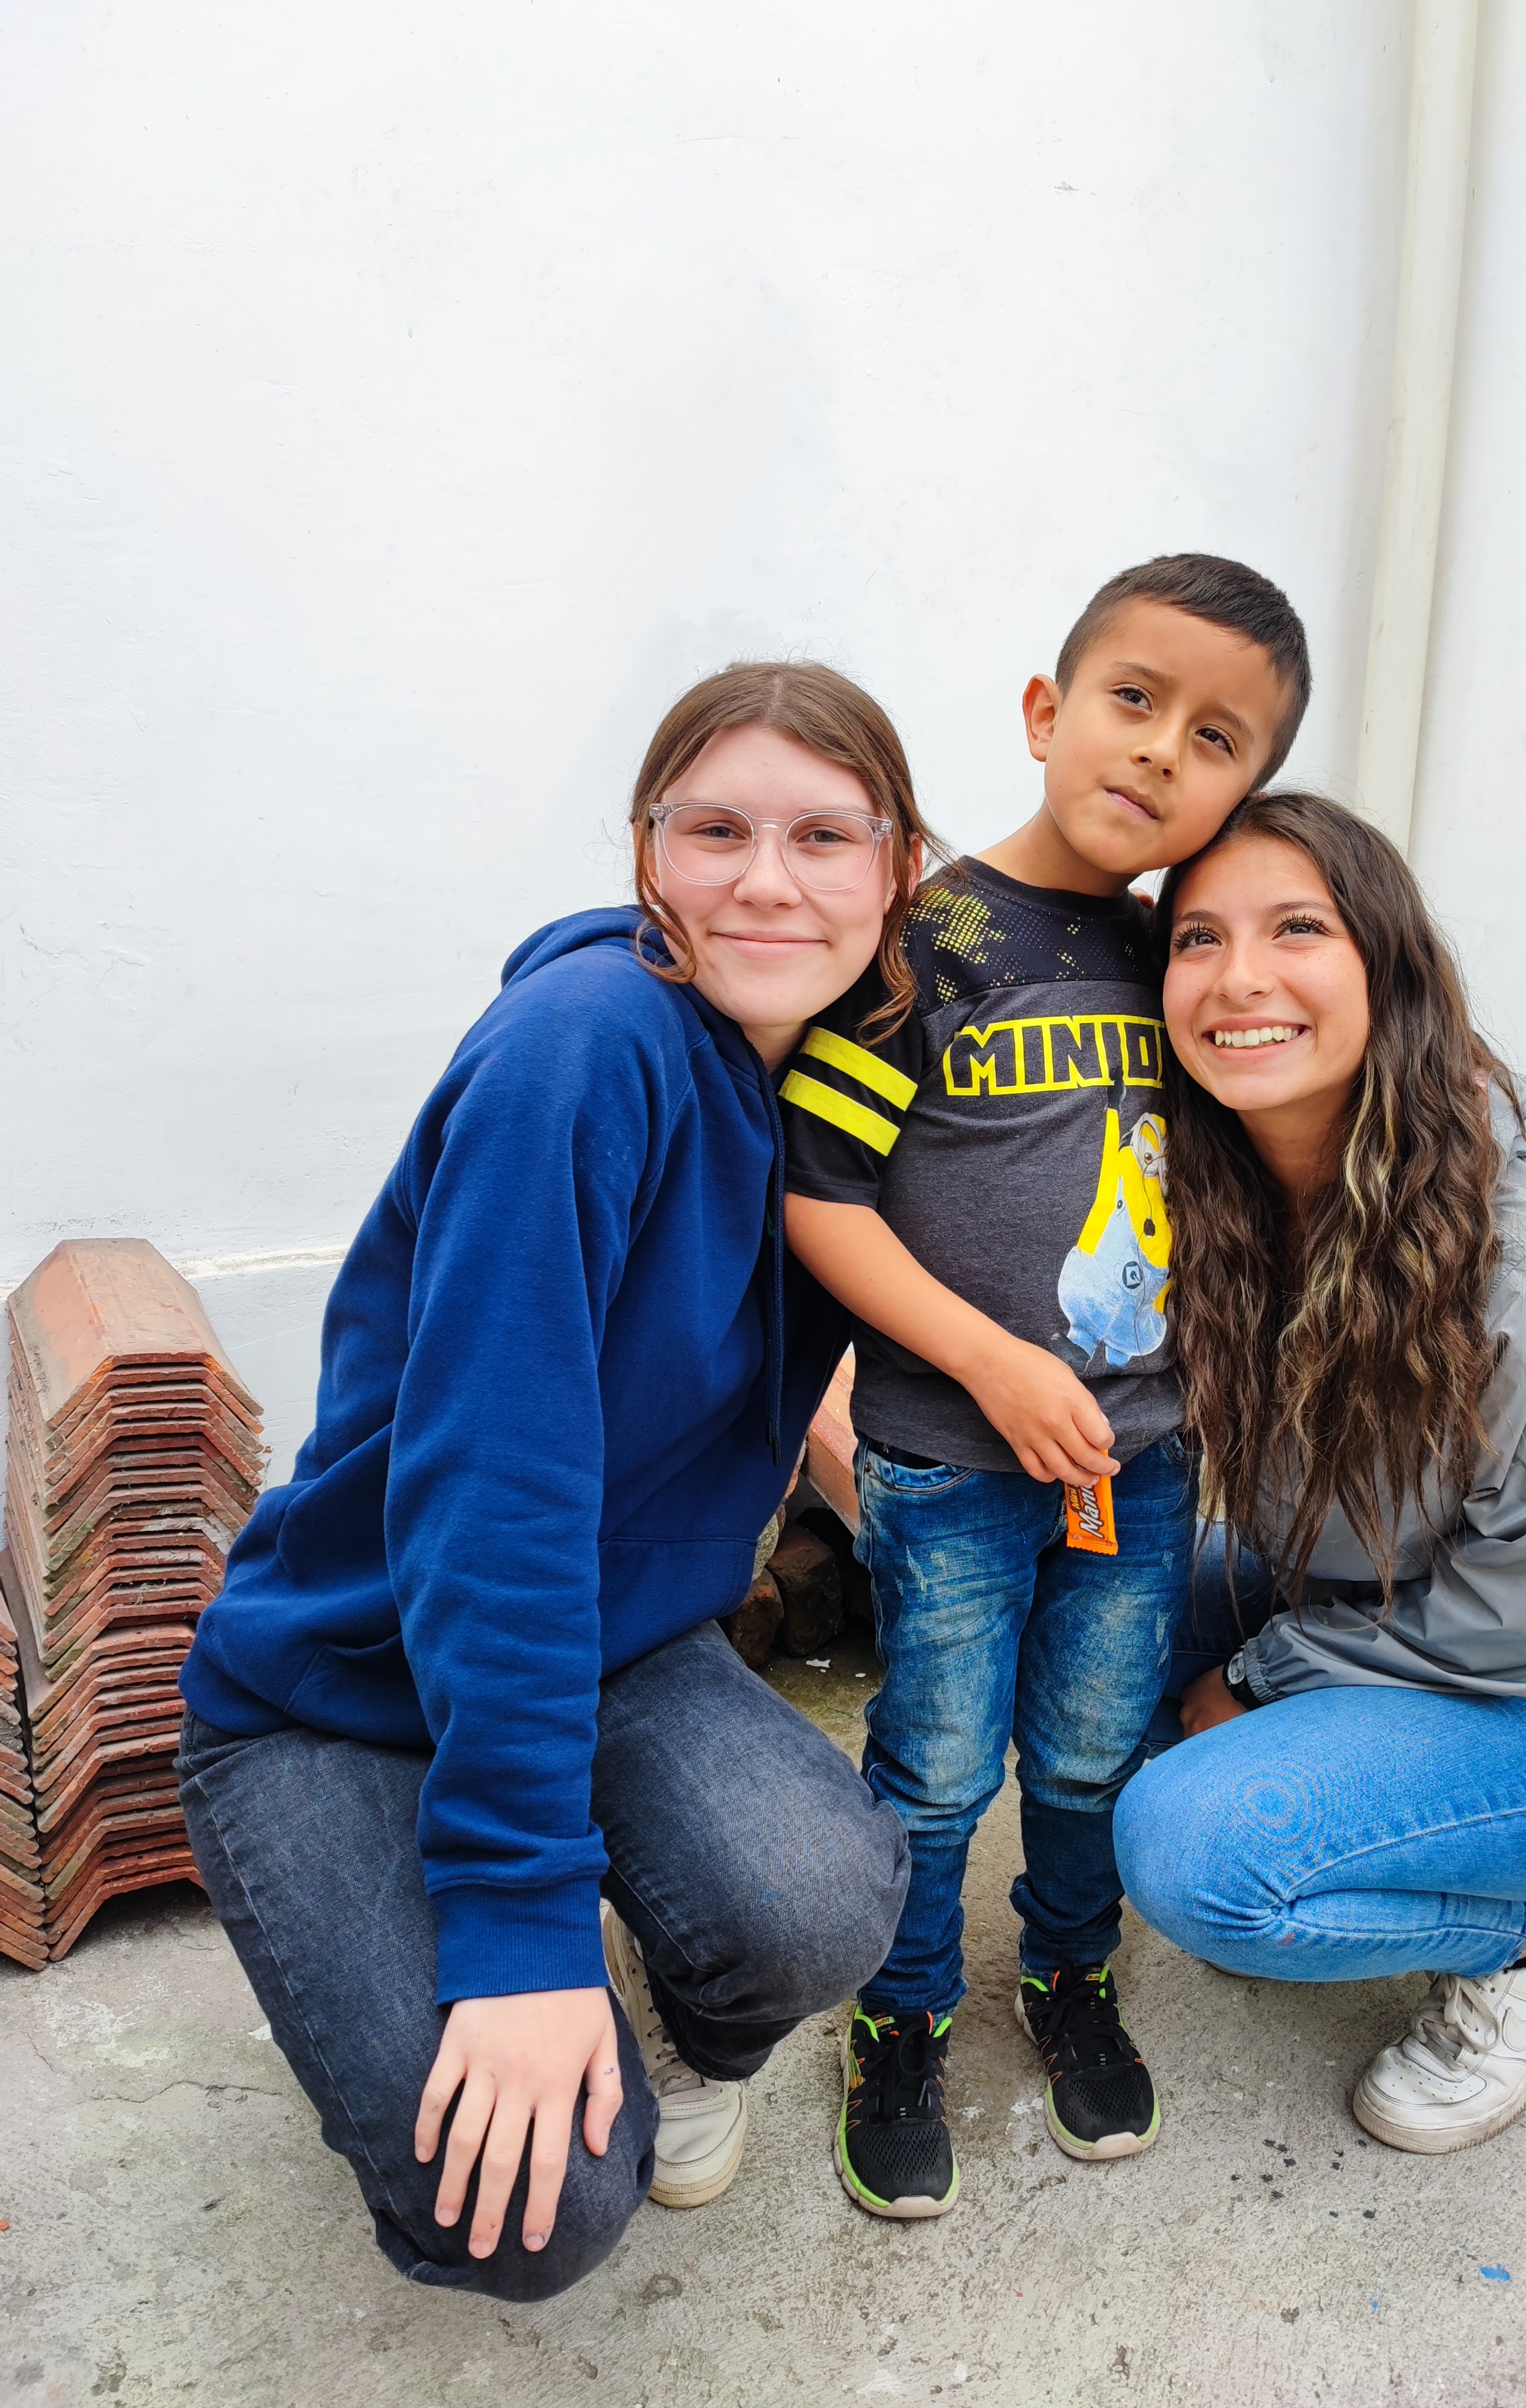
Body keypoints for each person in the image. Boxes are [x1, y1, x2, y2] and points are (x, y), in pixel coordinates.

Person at [177, 663, 927, 2300]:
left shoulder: (832, 1068)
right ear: (648, 855)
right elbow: (495, 1500)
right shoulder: (582, 1052)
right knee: (534, 2212)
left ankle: (634, 2006)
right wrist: (520, 1923)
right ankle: (469, 1975)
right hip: (340, 1683)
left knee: (820, 1897)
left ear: (897, 869)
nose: (768, 878)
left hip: (599, 1639)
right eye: (715, 828)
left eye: (824, 835)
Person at [781, 555, 1313, 2216]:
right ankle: (905, 2008)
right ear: (1044, 711)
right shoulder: (921, 944)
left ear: (1246, 790)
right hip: (950, 1458)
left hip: (1139, 1464)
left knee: (1090, 1749)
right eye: (1134, 700)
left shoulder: (1183, 962)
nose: (1162, 753)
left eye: (1218, 739)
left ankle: (1070, 1974)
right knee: (938, 1762)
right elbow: (822, 1196)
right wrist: (987, 1361)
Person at [1114, 790, 1526, 2153]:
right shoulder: (1218, 1193)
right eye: (1198, 937)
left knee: (1191, 1854)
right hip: (1364, 1595)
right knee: (1090, 1612)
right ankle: (1334, 1834)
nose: (1240, 976)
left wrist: (1261, 1678)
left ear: (1386, 970)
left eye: (1296, 928)